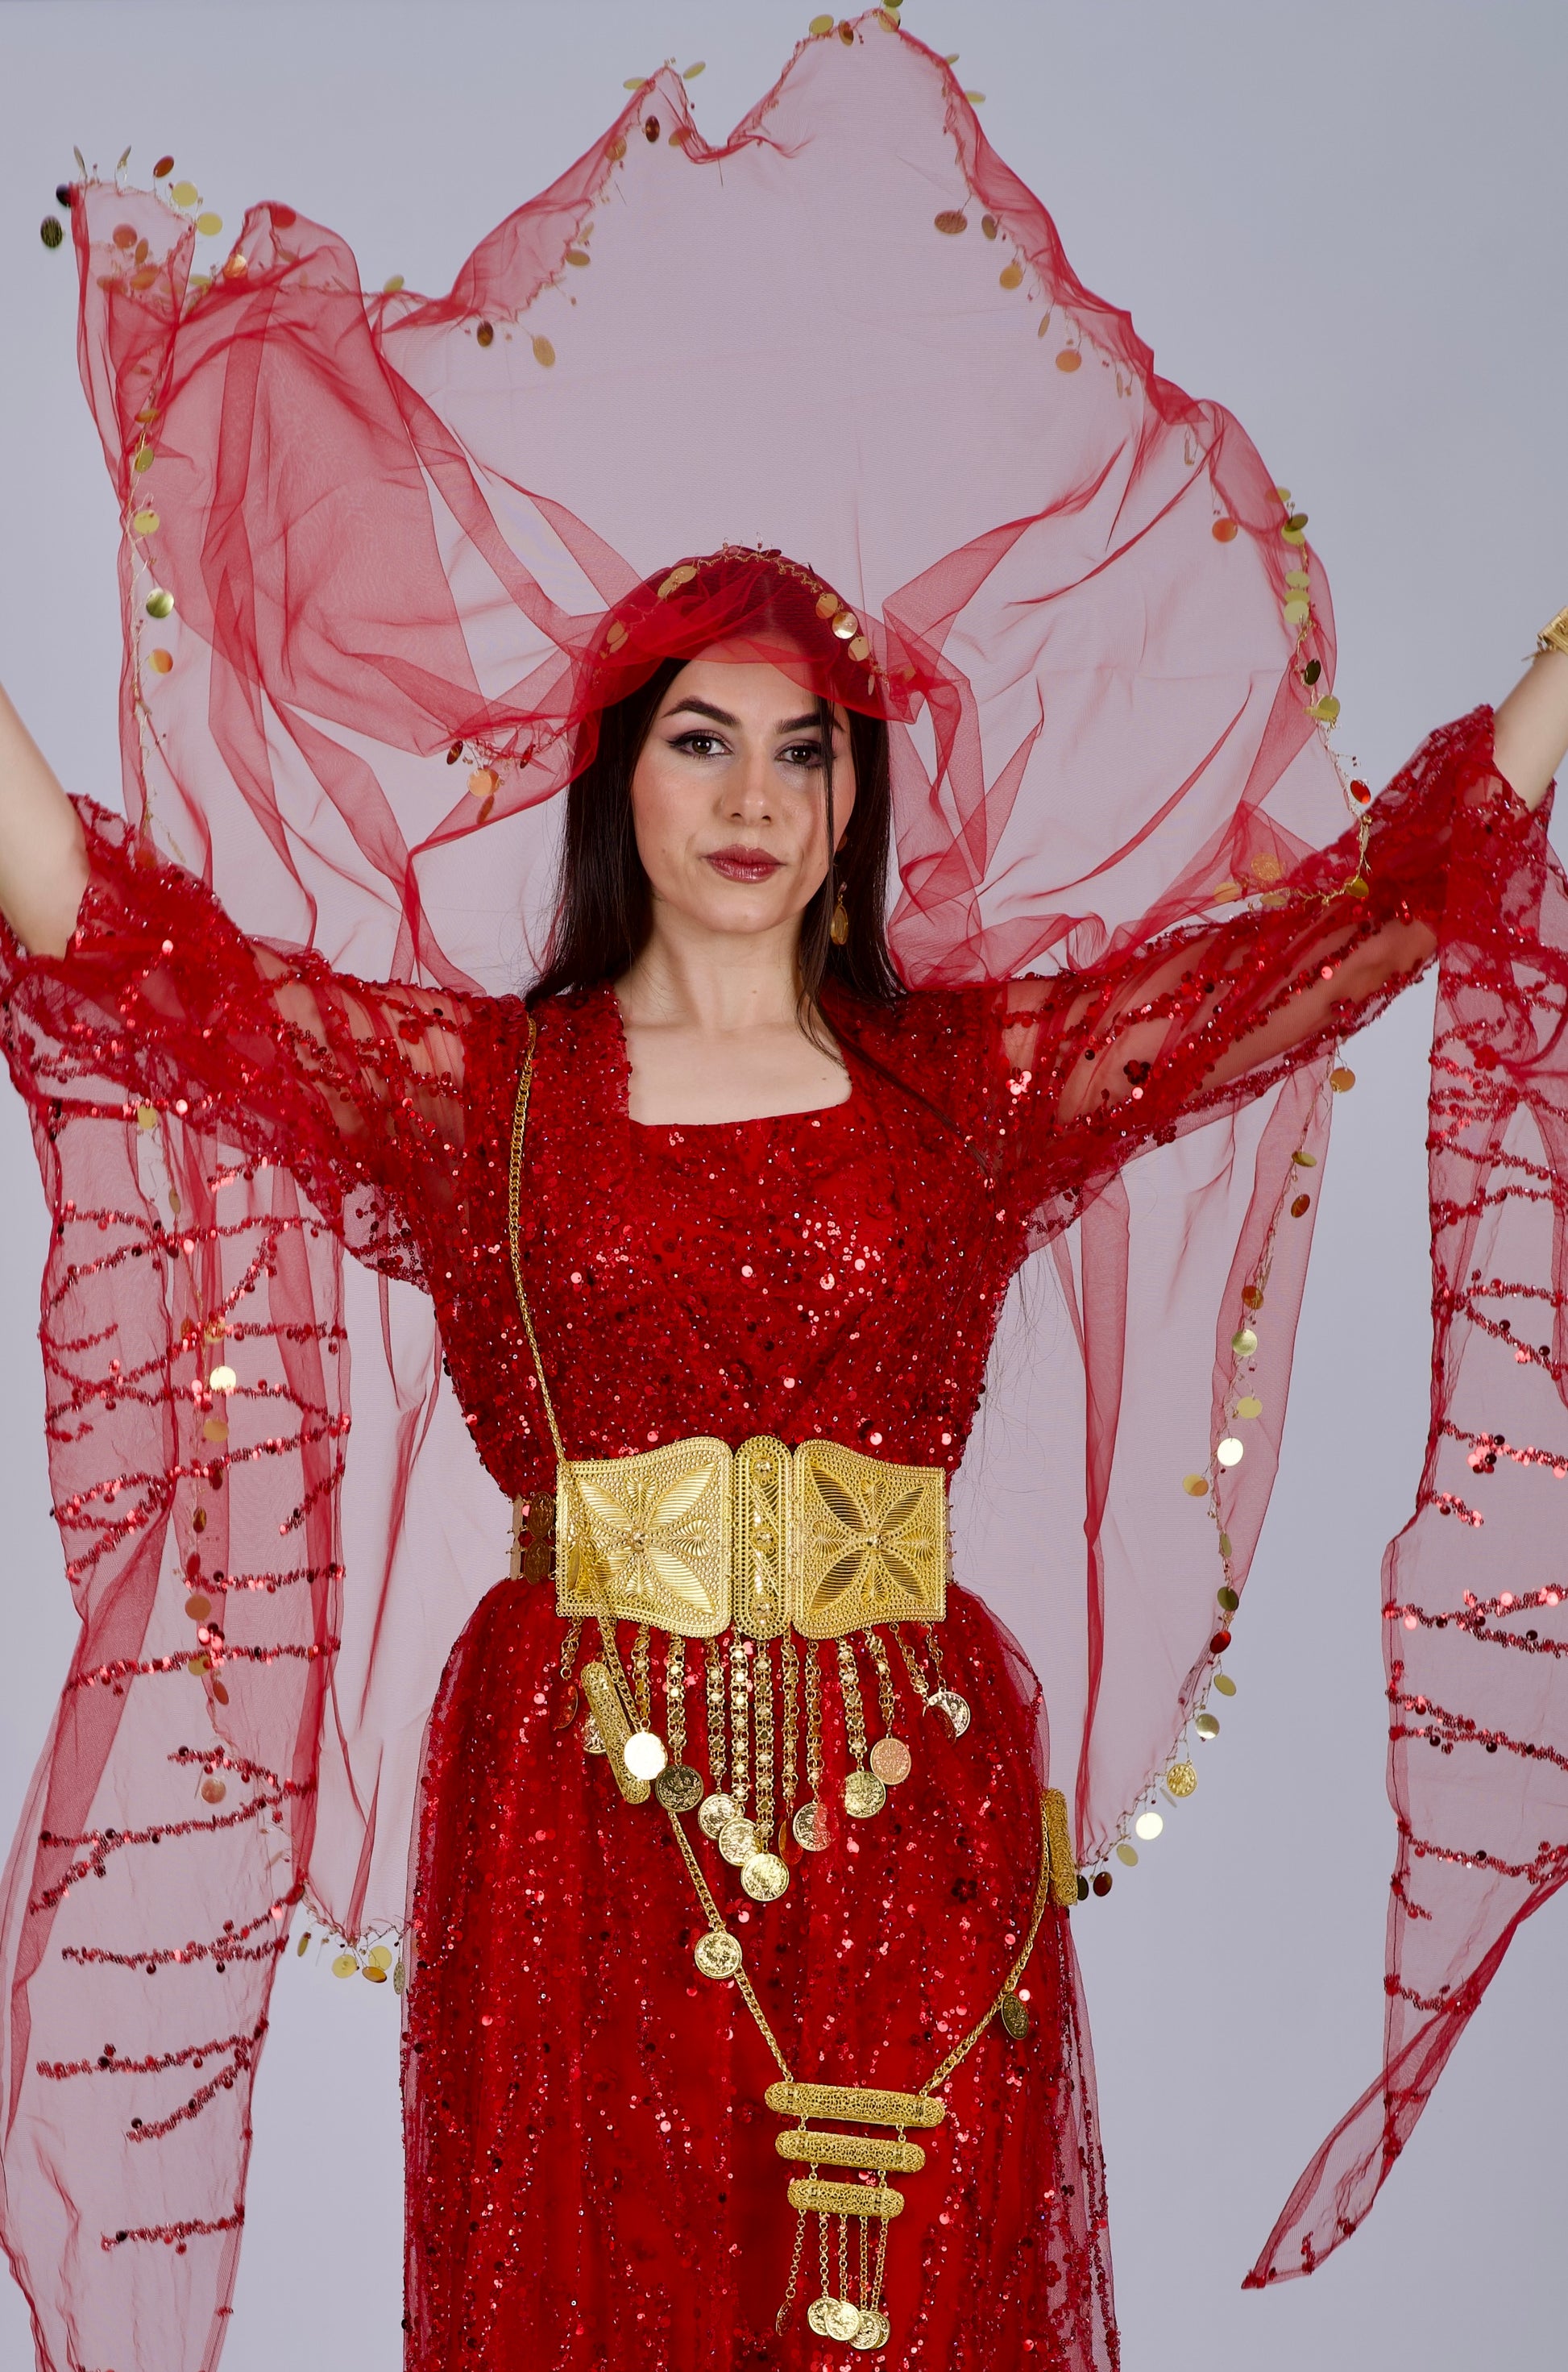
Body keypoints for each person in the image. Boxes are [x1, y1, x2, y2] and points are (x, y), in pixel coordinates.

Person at [1, 25, 1566, 2372]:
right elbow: (126, 954)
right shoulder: (482, 1105)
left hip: (910, 1793)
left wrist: (1548, 694)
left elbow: (1337, 935)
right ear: (616, 784)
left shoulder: (974, 1085)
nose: (753, 795)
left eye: (805, 751)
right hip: (569, 1799)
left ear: (855, 802)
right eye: (699, 742)